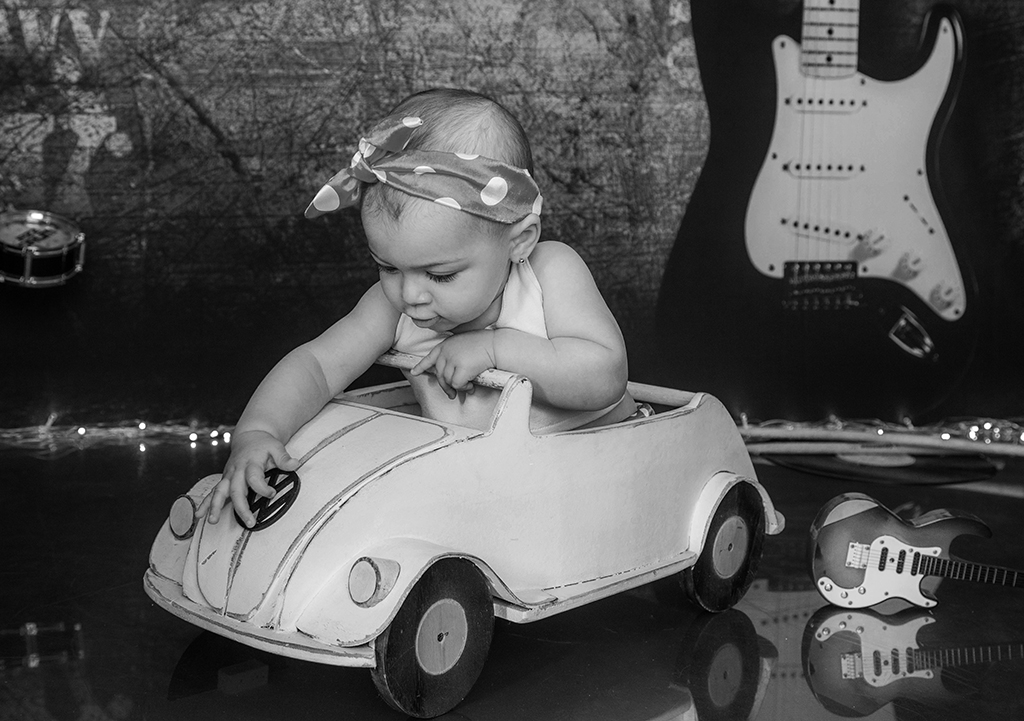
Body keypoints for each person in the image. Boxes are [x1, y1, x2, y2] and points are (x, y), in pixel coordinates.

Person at [199, 88, 633, 528]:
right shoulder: (394, 308)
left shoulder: (548, 272)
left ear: (518, 241)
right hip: (478, 486)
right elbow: (316, 366)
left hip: (597, 470)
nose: (410, 294)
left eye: (440, 275)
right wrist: (259, 431)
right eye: (387, 267)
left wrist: (495, 348)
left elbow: (606, 377)